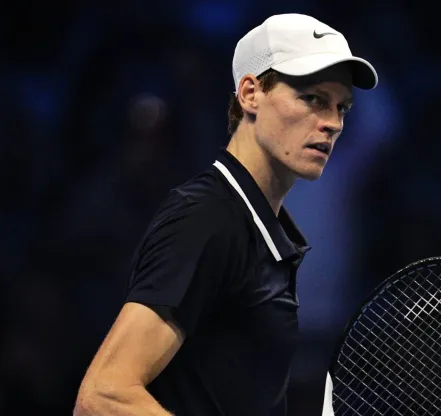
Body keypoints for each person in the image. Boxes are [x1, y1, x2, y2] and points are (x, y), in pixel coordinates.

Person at [73, 13, 378, 416]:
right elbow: (103, 395)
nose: (331, 124)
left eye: (342, 108)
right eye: (313, 99)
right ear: (250, 93)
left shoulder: (262, 230)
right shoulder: (208, 217)